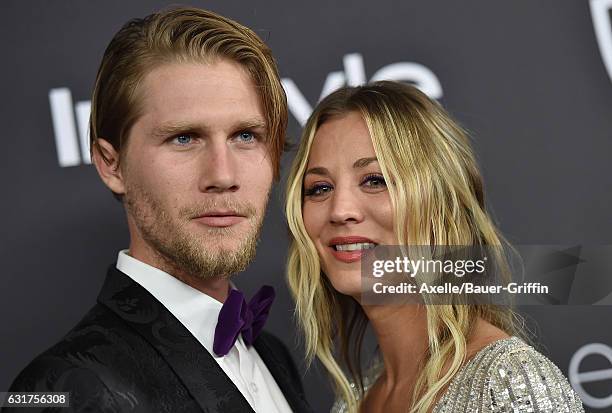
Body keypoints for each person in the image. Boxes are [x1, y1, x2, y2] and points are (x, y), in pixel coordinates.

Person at [4, 7, 311, 413]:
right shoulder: (61, 387)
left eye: (245, 135)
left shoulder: (272, 354)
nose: (223, 174)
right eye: (184, 138)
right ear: (111, 165)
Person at [284, 81, 584, 412]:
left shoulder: (508, 383)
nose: (340, 210)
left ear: (438, 202)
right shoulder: (354, 400)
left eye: (375, 180)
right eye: (320, 188)